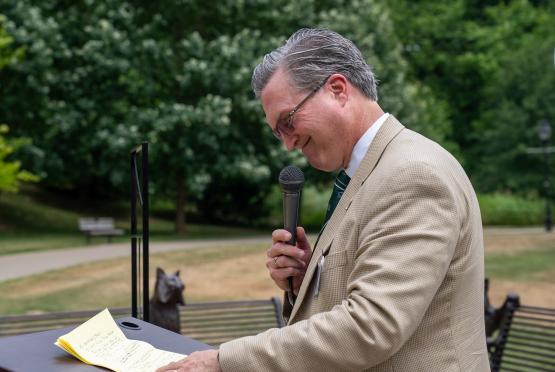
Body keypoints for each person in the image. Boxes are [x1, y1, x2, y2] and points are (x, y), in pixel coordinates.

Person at [157, 28, 490, 372]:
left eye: (288, 120)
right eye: (278, 132)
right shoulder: (372, 171)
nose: (288, 143)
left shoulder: (411, 175)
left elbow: (370, 327)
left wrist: (224, 360)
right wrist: (311, 279)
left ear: (337, 90)